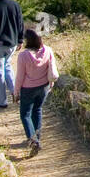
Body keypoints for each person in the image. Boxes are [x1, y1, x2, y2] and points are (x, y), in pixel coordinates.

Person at [14, 27, 58, 155]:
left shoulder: (23, 56)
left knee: (25, 115)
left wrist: (16, 92)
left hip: (28, 89)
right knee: (37, 110)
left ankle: (34, 141)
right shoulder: (48, 50)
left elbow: (20, 77)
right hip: (44, 87)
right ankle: (37, 137)